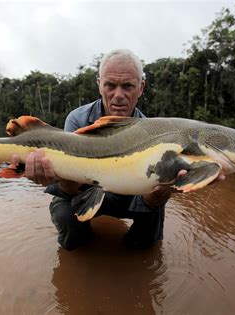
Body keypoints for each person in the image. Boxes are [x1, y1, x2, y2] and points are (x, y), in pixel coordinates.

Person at [12, 49, 185, 250]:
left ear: (141, 87)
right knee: (65, 215)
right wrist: (56, 176)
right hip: (84, 192)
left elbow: (150, 195)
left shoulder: (153, 132)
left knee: (153, 221)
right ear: (99, 85)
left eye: (128, 86)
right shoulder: (77, 119)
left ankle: (140, 250)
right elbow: (68, 188)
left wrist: (160, 194)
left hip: (129, 195)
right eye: (110, 85)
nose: (118, 95)